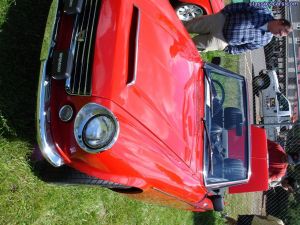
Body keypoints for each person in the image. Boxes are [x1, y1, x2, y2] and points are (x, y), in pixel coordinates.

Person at [184, 2, 292, 54]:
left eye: (279, 35)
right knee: (186, 26)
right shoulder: (263, 11)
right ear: (280, 22)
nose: (277, 34)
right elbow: (243, 6)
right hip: (219, 21)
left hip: (221, 41)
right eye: (279, 31)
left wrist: (228, 49)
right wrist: (225, 12)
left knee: (190, 48)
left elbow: (245, 48)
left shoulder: (266, 40)